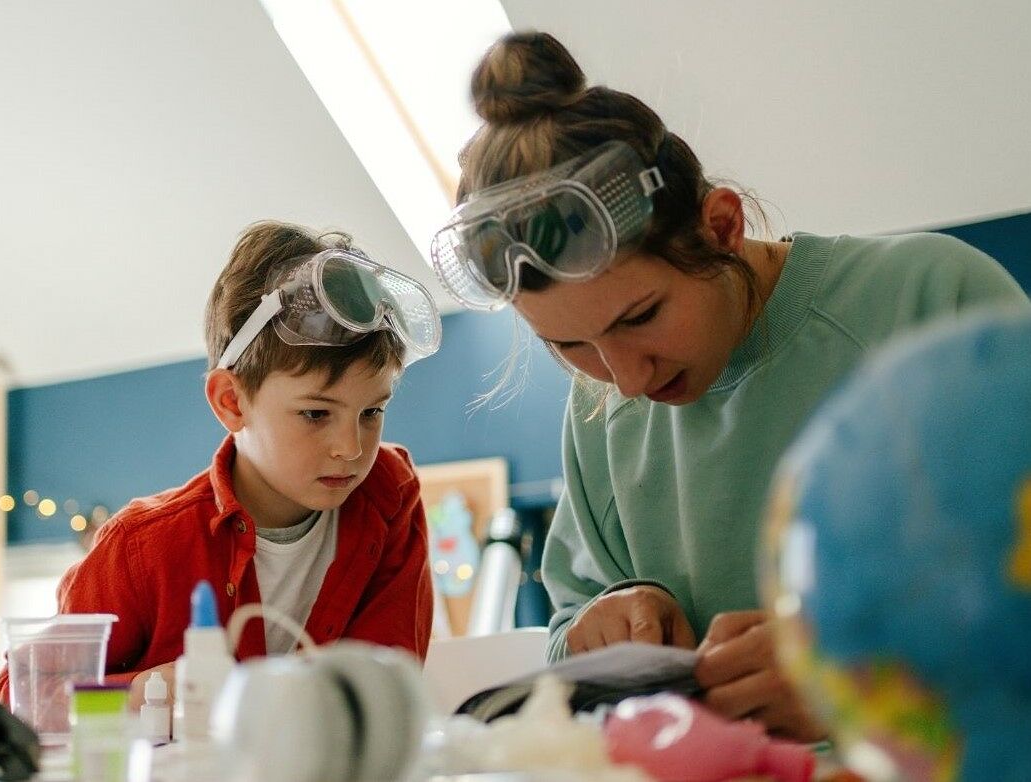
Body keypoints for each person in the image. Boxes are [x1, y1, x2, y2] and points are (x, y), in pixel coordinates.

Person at [432, 31, 1031, 739]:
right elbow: (569, 618)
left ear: (720, 226)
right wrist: (608, 621)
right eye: (566, 346)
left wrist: (862, 684)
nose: (622, 380)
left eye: (641, 316)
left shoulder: (929, 299)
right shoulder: (597, 412)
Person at [0, 221, 440, 709]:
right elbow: (23, 693)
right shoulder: (143, 548)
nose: (351, 448)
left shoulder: (390, 495)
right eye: (316, 413)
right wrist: (143, 693)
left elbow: (385, 690)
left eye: (372, 412)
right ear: (231, 401)